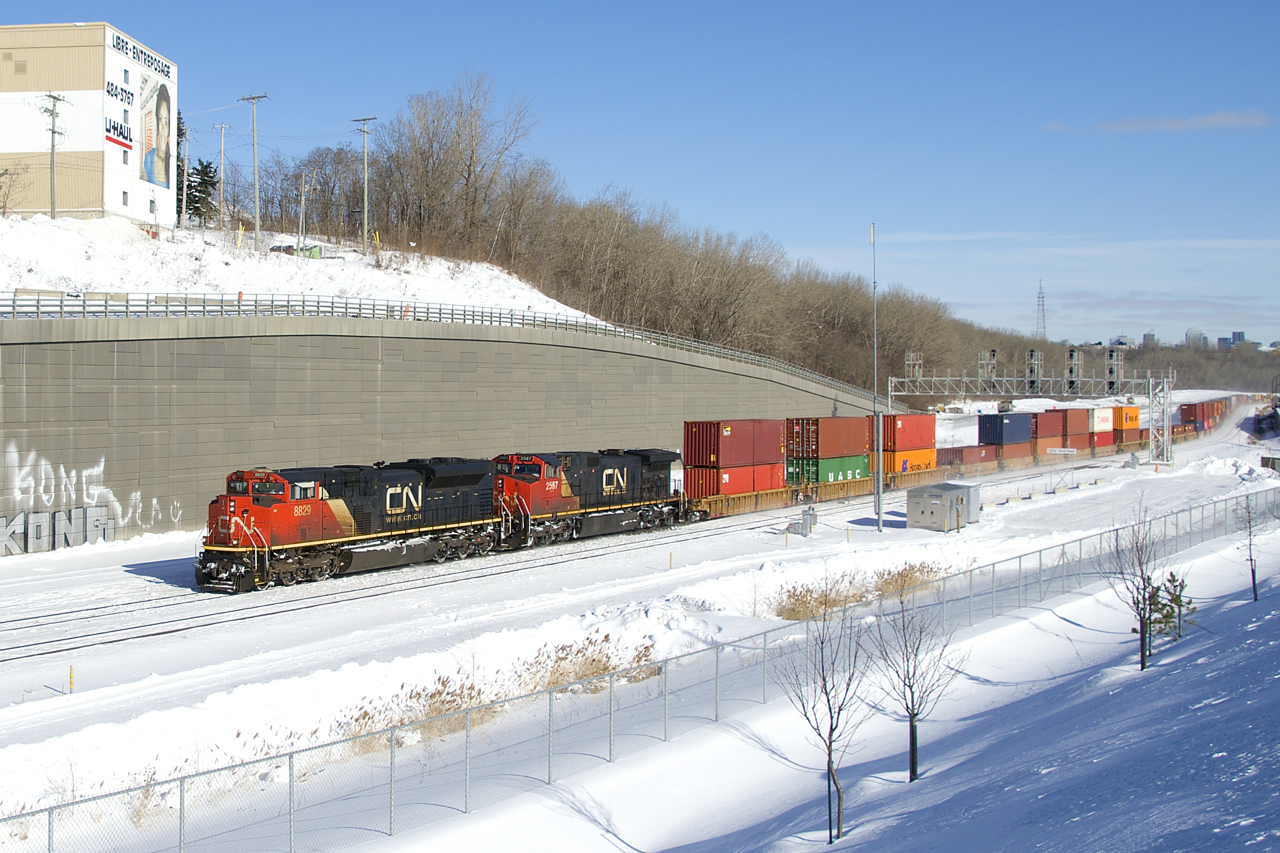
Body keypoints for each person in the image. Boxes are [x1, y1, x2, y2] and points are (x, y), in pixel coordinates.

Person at [142, 85, 170, 187]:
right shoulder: (149, 158)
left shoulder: (171, 162)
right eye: (160, 120)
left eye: (166, 122)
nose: (163, 128)